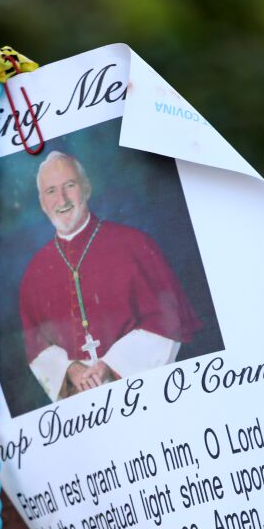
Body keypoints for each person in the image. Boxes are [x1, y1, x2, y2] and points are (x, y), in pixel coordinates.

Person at [19, 151, 202, 401]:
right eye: (51, 191)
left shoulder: (135, 244)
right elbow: (35, 344)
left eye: (69, 186)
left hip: (142, 392)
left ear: (86, 188)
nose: (61, 199)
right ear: (42, 203)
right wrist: (70, 370)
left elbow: (168, 320)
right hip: (79, 404)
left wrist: (111, 366)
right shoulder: (35, 271)